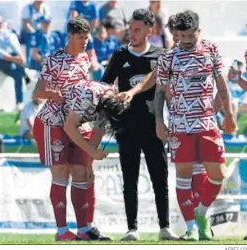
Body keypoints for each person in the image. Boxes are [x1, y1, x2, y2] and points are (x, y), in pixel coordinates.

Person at [119, 10, 237, 241]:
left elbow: (221, 84)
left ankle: (200, 212)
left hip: (206, 122)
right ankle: (192, 227)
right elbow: (160, 91)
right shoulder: (169, 57)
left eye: (189, 35)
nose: (184, 39)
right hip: (180, 125)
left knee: (218, 174)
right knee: (183, 175)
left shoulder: (211, 50)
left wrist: (229, 114)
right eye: (180, 35)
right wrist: (159, 121)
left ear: (198, 31)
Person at [101, 9, 178, 241]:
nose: (131, 34)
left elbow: (166, 90)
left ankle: (165, 227)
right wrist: (112, 98)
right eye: (130, 29)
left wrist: (166, 120)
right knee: (129, 179)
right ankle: (132, 229)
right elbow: (103, 86)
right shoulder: (119, 54)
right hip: (126, 126)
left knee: (159, 177)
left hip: (154, 125)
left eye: (136, 30)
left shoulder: (161, 55)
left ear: (149, 30)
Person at [33, 17, 111, 241]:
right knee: (61, 172)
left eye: (87, 37)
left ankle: (84, 229)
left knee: (82, 172)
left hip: (77, 122)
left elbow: (84, 90)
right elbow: (38, 92)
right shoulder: (55, 59)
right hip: (54, 122)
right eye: (80, 37)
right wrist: (53, 94)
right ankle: (61, 231)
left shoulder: (85, 59)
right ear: (70, 36)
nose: (84, 41)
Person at [0, 15, 28, 111]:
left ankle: (19, 102)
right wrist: (14, 59)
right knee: (14, 57)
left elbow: (13, 44)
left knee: (17, 75)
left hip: (6, 61)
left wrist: (20, 56)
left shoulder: (4, 33)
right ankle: (26, 75)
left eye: (0, 23)